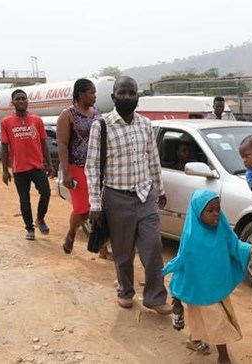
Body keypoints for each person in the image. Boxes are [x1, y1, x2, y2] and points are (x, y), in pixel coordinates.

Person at [85, 76, 171, 314]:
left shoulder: (145, 124)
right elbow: (91, 167)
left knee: (153, 247)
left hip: (145, 194)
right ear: (113, 97)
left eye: (131, 93)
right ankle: (125, 291)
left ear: (138, 97)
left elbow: (152, 159)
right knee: (123, 252)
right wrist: (94, 203)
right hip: (116, 197)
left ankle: (155, 296)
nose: (127, 97)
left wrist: (160, 189)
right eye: (121, 93)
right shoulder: (101, 126)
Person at [162, 190, 251, 364]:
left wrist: (251, 250)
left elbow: (234, 246)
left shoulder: (222, 229)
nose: (216, 214)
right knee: (216, 322)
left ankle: (195, 340)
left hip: (217, 285)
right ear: (197, 212)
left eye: (218, 209)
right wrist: (177, 299)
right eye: (210, 210)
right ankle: (223, 356)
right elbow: (183, 266)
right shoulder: (191, 237)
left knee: (207, 321)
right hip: (199, 289)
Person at [56, 78, 112, 258]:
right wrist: (66, 172)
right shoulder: (68, 115)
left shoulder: (98, 113)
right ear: (81, 94)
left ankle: (102, 247)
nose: (95, 96)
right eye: (92, 92)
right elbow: (63, 144)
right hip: (77, 168)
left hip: (98, 167)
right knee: (83, 209)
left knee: (101, 208)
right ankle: (72, 232)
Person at [0, 89, 55, 240]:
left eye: (23, 98)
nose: (21, 101)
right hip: (19, 169)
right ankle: (29, 228)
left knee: (46, 192)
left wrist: (49, 164)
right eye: (17, 99)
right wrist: (5, 170)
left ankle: (40, 218)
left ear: (27, 101)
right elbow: (5, 147)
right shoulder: (6, 122)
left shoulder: (37, 120)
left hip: (37, 166)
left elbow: (43, 143)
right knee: (24, 200)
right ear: (13, 103)